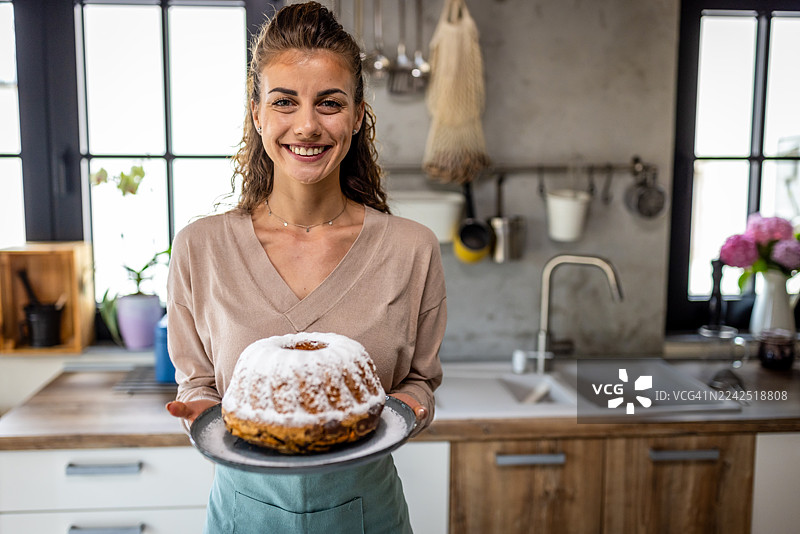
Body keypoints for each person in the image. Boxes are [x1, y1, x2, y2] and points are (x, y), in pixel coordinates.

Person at [164, 2, 447, 532]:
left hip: (368, 516)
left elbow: (419, 381)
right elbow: (197, 382)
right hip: (242, 515)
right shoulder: (200, 247)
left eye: (330, 103)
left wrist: (413, 405)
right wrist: (199, 411)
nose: (307, 125)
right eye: (284, 102)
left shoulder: (412, 249)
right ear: (257, 114)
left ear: (359, 114)